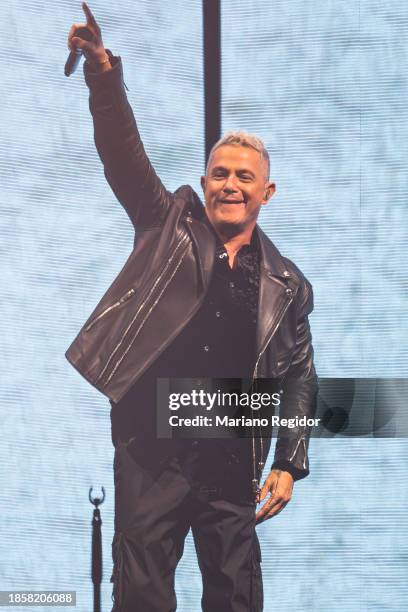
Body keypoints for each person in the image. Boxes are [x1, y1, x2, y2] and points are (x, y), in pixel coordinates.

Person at [65, 4, 318, 611]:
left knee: (236, 598)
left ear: (266, 192)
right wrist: (103, 74)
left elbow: (299, 377)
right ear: (204, 182)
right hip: (151, 448)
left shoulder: (286, 283)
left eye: (243, 177)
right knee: (144, 595)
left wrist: (290, 460)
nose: (229, 184)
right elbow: (123, 155)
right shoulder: (167, 224)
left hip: (231, 459)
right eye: (219, 173)